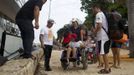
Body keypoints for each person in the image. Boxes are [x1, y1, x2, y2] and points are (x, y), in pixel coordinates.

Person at [92, 4, 111, 74]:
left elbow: (99, 26)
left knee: (104, 53)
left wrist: (94, 32)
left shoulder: (98, 14)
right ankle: (107, 67)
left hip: (102, 37)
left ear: (97, 8)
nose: (93, 11)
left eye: (93, 9)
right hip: (105, 36)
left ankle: (106, 69)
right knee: (104, 53)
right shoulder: (102, 14)